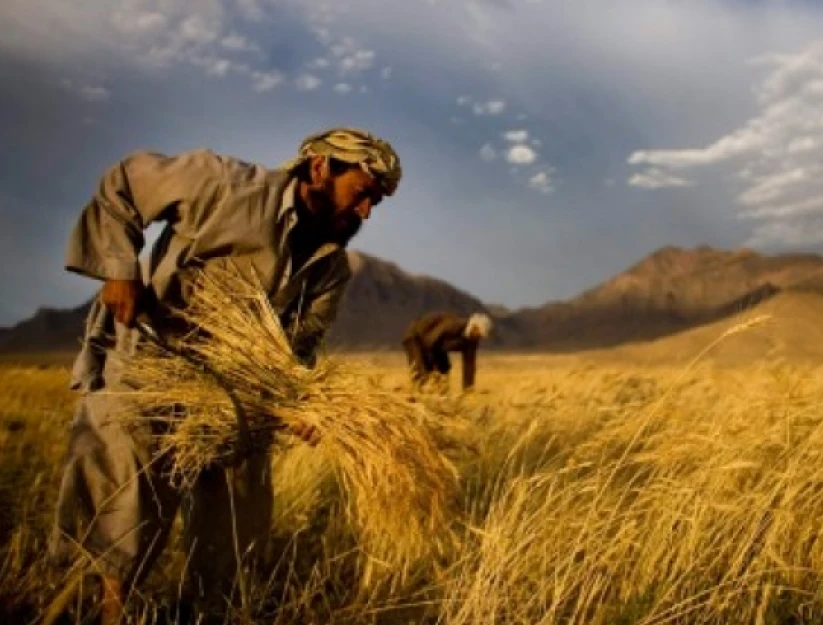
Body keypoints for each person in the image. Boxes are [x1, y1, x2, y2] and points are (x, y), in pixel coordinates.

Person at [49, 127, 402, 624]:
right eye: (362, 195)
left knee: (239, 516)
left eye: (376, 205)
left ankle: (209, 609)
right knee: (121, 505)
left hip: (235, 394)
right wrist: (119, 271)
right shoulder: (224, 185)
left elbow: (296, 350)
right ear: (321, 168)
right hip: (148, 364)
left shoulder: (330, 268)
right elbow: (126, 182)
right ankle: (108, 612)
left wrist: (299, 402)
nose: (365, 213)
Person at [402, 311, 493, 392]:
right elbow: (430, 342)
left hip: (436, 346)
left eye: (480, 336)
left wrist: (468, 389)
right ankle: (417, 398)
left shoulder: (472, 341)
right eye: (478, 333)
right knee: (421, 372)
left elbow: (469, 364)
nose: (478, 337)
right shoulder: (453, 326)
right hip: (416, 337)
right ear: (474, 327)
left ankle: (439, 396)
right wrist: (431, 367)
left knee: (444, 370)